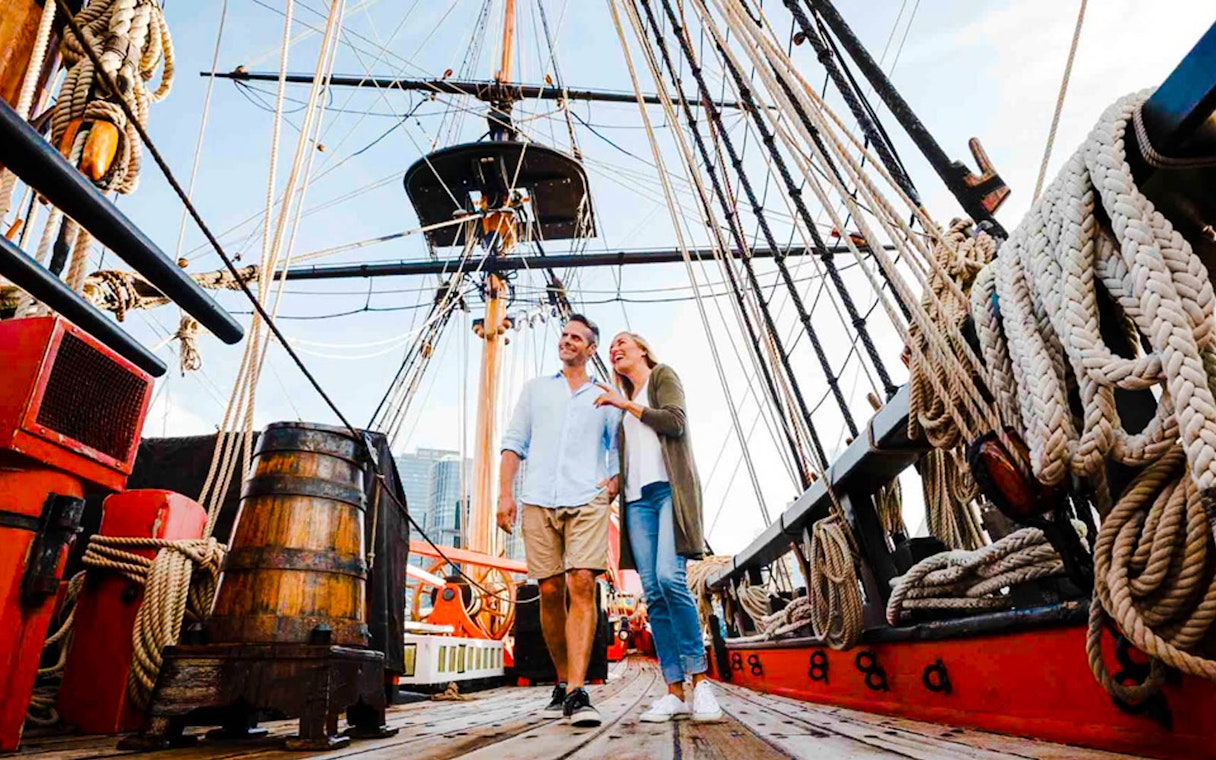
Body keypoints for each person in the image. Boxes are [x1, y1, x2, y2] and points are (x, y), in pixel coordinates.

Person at [498, 314, 621, 728]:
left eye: (576, 337)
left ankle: (576, 690)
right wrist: (504, 494)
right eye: (564, 335)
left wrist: (615, 481)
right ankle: (563, 680)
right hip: (537, 499)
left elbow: (616, 448)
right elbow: (514, 443)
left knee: (582, 581)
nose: (567, 341)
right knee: (549, 590)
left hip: (587, 496)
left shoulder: (603, 396)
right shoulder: (535, 390)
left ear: (591, 349)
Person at [594, 332, 722, 723]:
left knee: (671, 579)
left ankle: (701, 682)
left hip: (669, 493)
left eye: (622, 343)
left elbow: (676, 423)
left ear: (643, 350)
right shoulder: (621, 411)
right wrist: (613, 484)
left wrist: (626, 404)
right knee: (653, 593)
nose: (615, 350)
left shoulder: (661, 376)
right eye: (612, 348)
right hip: (637, 503)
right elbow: (630, 457)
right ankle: (674, 690)